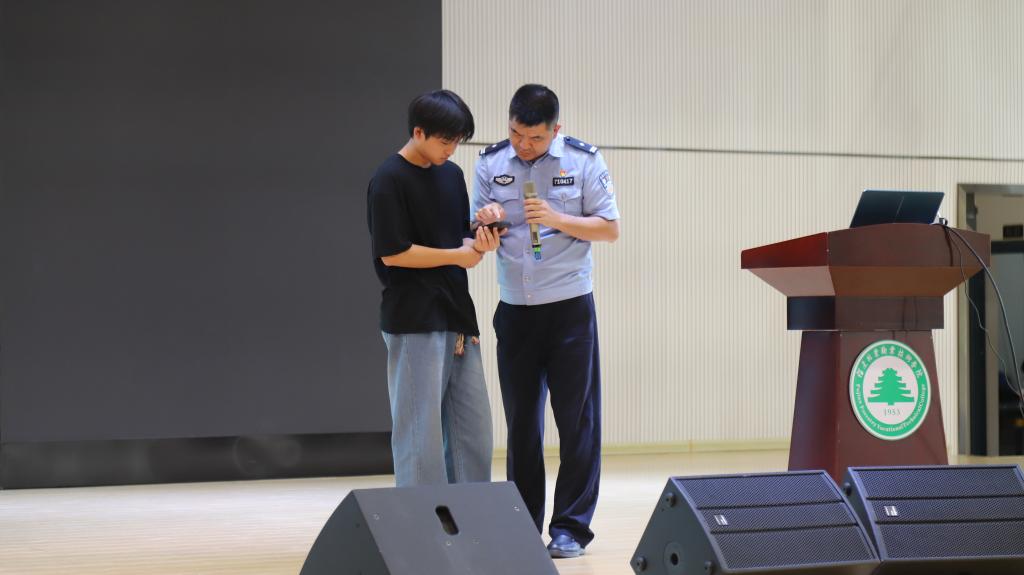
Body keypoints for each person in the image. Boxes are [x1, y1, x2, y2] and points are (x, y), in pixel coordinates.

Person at [472, 84, 620, 558]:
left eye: (535, 138)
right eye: (516, 134)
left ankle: (570, 528)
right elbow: (475, 229)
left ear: (557, 130)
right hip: (515, 309)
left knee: (577, 422)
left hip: (570, 308)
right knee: (521, 424)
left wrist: (556, 217)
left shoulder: (583, 160)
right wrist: (486, 223)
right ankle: (522, 524)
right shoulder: (490, 162)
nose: (523, 145)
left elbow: (609, 228)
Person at [366, 89, 500, 487]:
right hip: (414, 318)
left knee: (473, 434)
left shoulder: (451, 175)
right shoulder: (388, 179)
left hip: (457, 314)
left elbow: (458, 238)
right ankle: (421, 520)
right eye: (445, 141)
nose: (451, 149)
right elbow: (394, 254)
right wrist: (457, 255)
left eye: (456, 141)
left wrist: (482, 233)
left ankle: (472, 517)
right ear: (418, 132)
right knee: (419, 436)